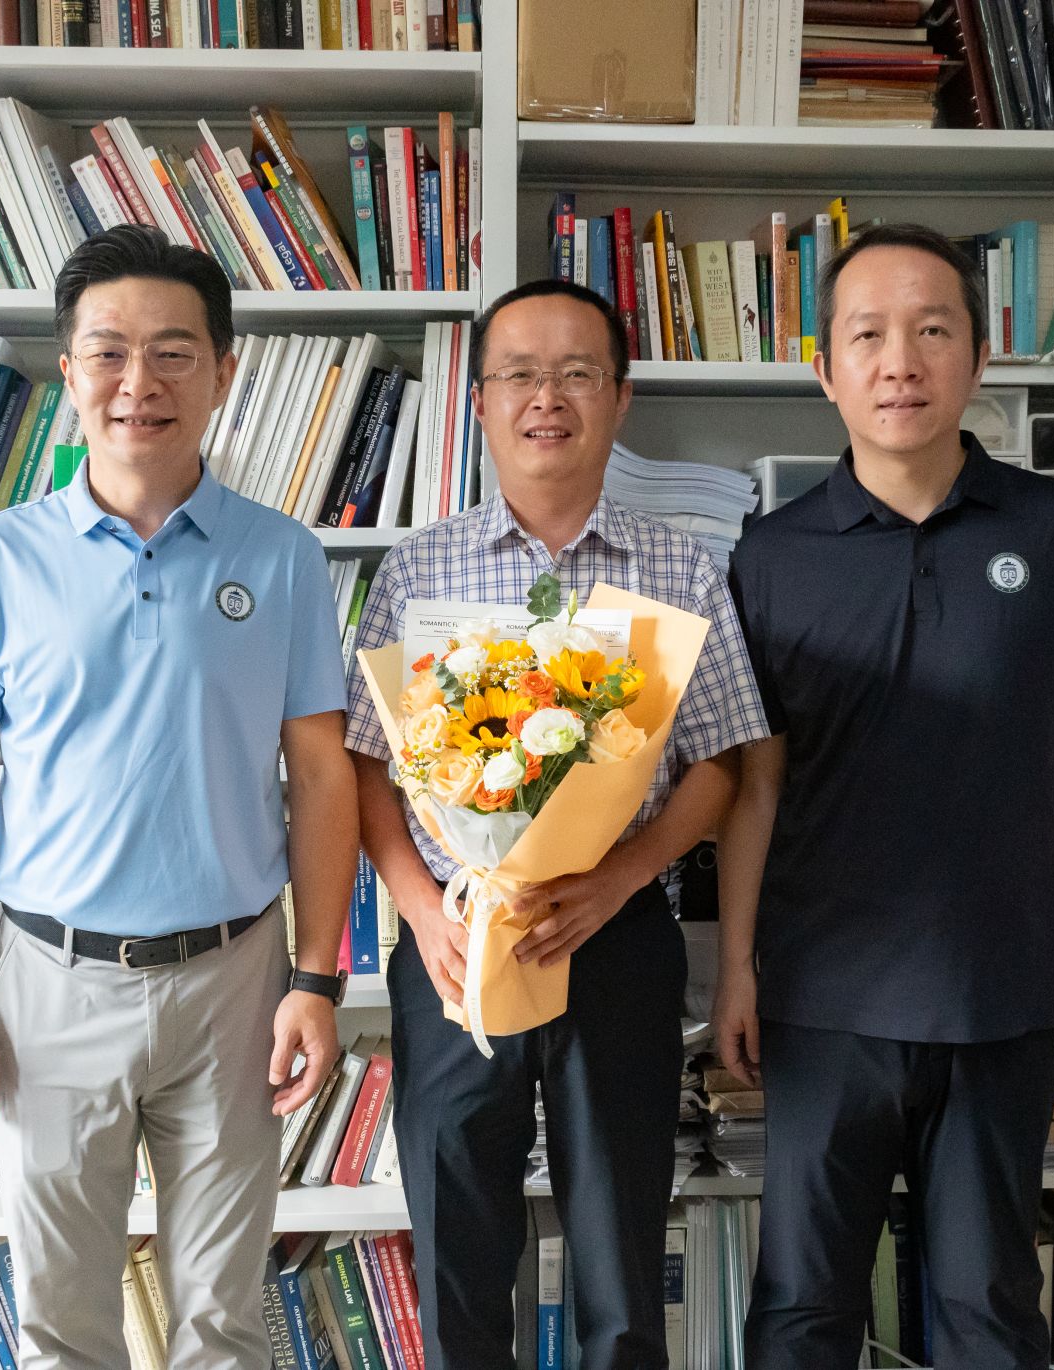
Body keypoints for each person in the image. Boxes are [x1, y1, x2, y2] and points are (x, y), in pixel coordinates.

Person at [0, 224, 359, 1369]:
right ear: (69, 374)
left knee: (224, 1319)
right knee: (63, 1324)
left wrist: (316, 977)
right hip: (49, 982)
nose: (138, 381)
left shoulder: (283, 556)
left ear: (223, 371)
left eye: (172, 352)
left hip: (235, 981)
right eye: (107, 351)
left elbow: (320, 775)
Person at [718, 223, 1054, 1370]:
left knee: (987, 1304)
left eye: (931, 330)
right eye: (867, 335)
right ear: (825, 368)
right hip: (823, 996)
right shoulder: (769, 555)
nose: (899, 361)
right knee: (802, 1305)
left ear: (978, 355)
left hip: (1001, 990)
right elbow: (755, 783)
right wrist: (739, 965)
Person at [344, 279, 772, 1370]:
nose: (548, 398)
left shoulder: (678, 566)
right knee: (456, 1235)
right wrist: (421, 911)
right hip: (453, 940)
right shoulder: (421, 565)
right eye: (521, 375)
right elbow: (367, 768)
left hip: (617, 936)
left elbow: (720, 764)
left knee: (620, 1242)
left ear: (619, 398)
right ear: (481, 402)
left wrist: (621, 874)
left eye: (578, 373)